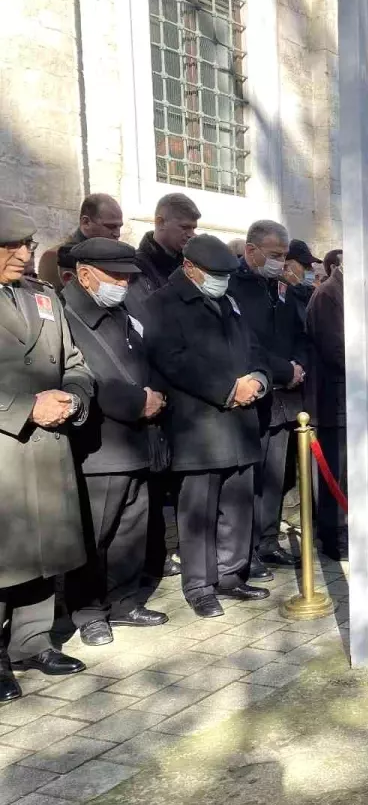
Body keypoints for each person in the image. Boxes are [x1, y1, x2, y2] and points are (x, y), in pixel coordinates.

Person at [143, 235, 271, 617]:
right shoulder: (162, 304)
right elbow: (172, 359)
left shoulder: (227, 301)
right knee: (198, 509)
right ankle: (199, 584)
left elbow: (254, 349)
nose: (222, 281)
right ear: (189, 267)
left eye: (226, 275)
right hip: (197, 423)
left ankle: (231, 573)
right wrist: (229, 389)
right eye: (215, 274)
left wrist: (259, 381)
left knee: (237, 502)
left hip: (241, 419)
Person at [0, 204, 92, 698]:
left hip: (48, 441)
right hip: (5, 447)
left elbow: (75, 361)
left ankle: (33, 642)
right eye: (11, 245)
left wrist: (73, 397)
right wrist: (23, 407)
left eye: (27, 244)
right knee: (4, 553)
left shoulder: (43, 296)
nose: (23, 253)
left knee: (42, 550)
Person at [62, 238, 171, 645]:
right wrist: (138, 401)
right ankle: (89, 610)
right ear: (86, 273)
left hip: (138, 440)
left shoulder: (120, 311)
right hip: (100, 445)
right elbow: (82, 376)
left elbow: (147, 358)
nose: (124, 283)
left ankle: (124, 601)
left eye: (128, 275)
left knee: (131, 527)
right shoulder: (66, 313)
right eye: (117, 275)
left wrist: (155, 394)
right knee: (96, 534)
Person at [230, 220, 310, 578]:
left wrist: (299, 366)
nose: (281, 262)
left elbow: (299, 332)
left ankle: (268, 540)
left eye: (283, 255)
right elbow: (247, 341)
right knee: (251, 479)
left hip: (285, 398)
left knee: (275, 478)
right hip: (255, 394)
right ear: (251, 251)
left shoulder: (282, 288)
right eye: (275, 255)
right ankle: (245, 551)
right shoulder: (234, 287)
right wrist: (282, 369)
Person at [306, 246, 368, 559]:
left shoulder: (362, 294)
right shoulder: (329, 295)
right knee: (337, 471)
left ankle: (358, 528)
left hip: (364, 394)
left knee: (359, 469)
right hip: (337, 399)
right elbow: (335, 349)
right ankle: (335, 535)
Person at [129, 193, 200, 321]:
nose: (191, 235)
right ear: (160, 223)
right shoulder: (136, 267)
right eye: (185, 227)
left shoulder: (190, 265)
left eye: (193, 228)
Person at [37, 193, 124, 291]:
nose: (117, 234)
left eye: (119, 227)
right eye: (110, 227)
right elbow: (53, 302)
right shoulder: (53, 257)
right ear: (86, 222)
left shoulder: (115, 257)